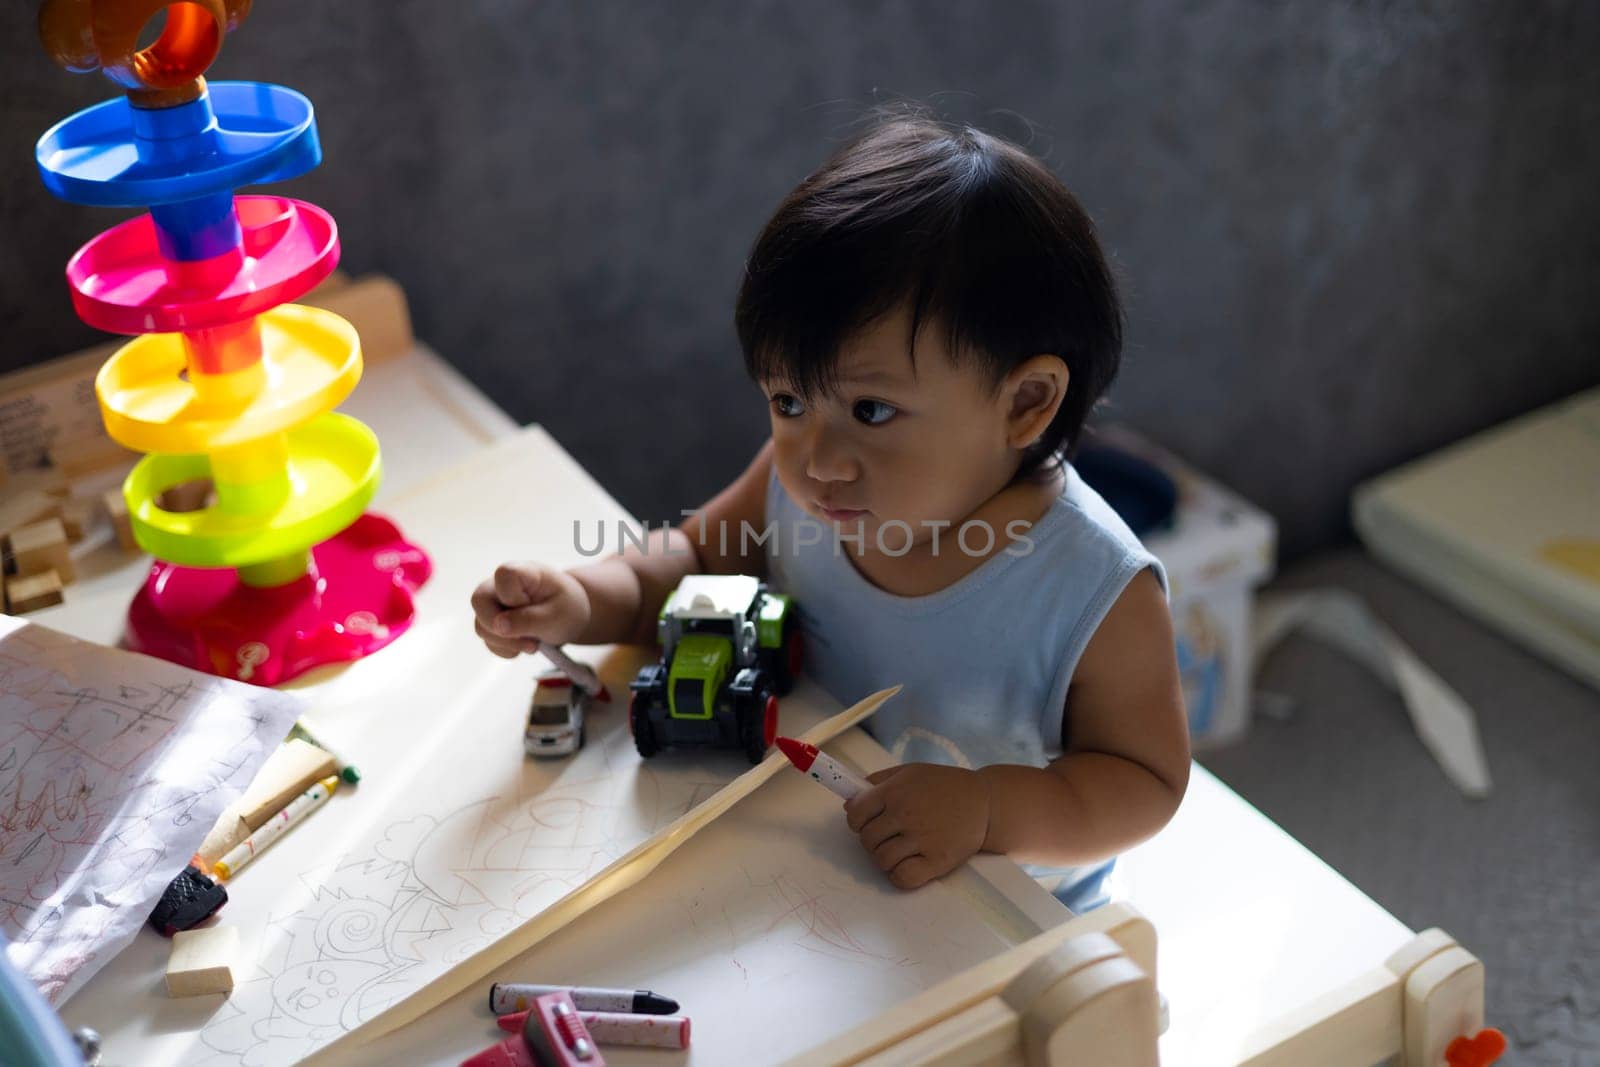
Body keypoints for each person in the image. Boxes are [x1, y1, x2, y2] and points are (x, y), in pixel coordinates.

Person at [472, 112, 1189, 911]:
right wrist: (582, 599)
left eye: (872, 411)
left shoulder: (1096, 590)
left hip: (1009, 923)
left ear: (1024, 403)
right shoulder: (807, 488)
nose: (815, 458)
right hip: (814, 879)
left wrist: (986, 807)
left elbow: (1144, 782)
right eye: (787, 400)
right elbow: (692, 566)